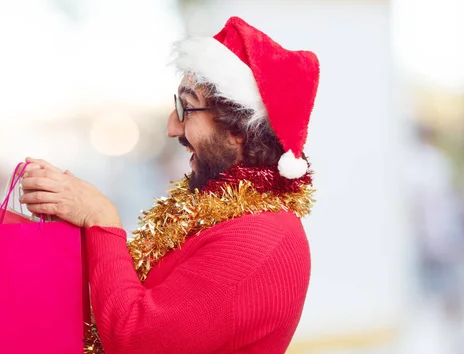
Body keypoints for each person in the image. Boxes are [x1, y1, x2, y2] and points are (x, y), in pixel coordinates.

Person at [20, 16, 320, 354]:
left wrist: (101, 218)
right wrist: (77, 218)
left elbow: (135, 339)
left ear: (239, 128)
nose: (172, 127)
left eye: (187, 108)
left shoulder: (257, 239)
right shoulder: (226, 215)